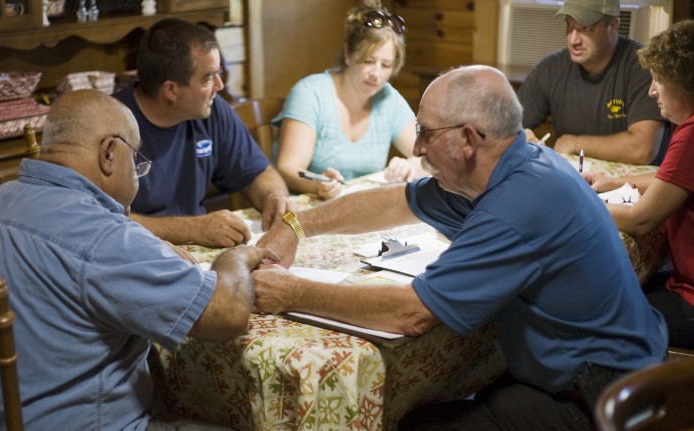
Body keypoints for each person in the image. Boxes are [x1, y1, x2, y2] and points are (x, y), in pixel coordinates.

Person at [253, 65, 667, 429]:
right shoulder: (518, 165)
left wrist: (292, 291)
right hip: (621, 367)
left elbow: (409, 314)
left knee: (408, 422)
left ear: (469, 139)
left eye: (425, 134)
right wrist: (297, 226)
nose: (416, 148)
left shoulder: (515, 206)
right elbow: (396, 199)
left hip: (604, 399)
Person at [0, 90, 278, 430]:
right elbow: (226, 314)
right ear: (109, 154)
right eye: (136, 161)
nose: (137, 175)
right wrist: (235, 257)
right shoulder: (100, 235)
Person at [113, 18, 291, 248]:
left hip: (198, 258)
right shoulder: (109, 125)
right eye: (208, 78)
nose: (220, 86)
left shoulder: (213, 110)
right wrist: (193, 228)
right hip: (136, 257)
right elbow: (99, 220)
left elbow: (256, 173)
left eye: (219, 73)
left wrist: (274, 197)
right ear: (171, 90)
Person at [582, 19, 694, 349]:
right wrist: (614, 181)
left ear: (685, 83)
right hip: (683, 283)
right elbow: (671, 181)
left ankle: (602, 399)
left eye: (659, 79)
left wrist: (578, 201)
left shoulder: (690, 134)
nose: (651, 90)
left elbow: (640, 220)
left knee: (590, 316)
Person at [272, 0, 425, 200]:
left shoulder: (388, 98)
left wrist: (409, 166)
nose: (376, 74)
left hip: (358, 208)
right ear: (348, 54)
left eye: (386, 65)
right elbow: (288, 167)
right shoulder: (310, 94)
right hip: (307, 205)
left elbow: (430, 156)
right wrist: (318, 185)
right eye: (368, 61)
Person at [517, 0, 668, 165]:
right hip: (576, 182)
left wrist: (574, 143)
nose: (574, 40)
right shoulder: (550, 69)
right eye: (569, 27)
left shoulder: (641, 66)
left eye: (586, 29)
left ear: (614, 25)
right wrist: (522, 138)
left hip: (632, 188)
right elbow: (506, 129)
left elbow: (642, 149)